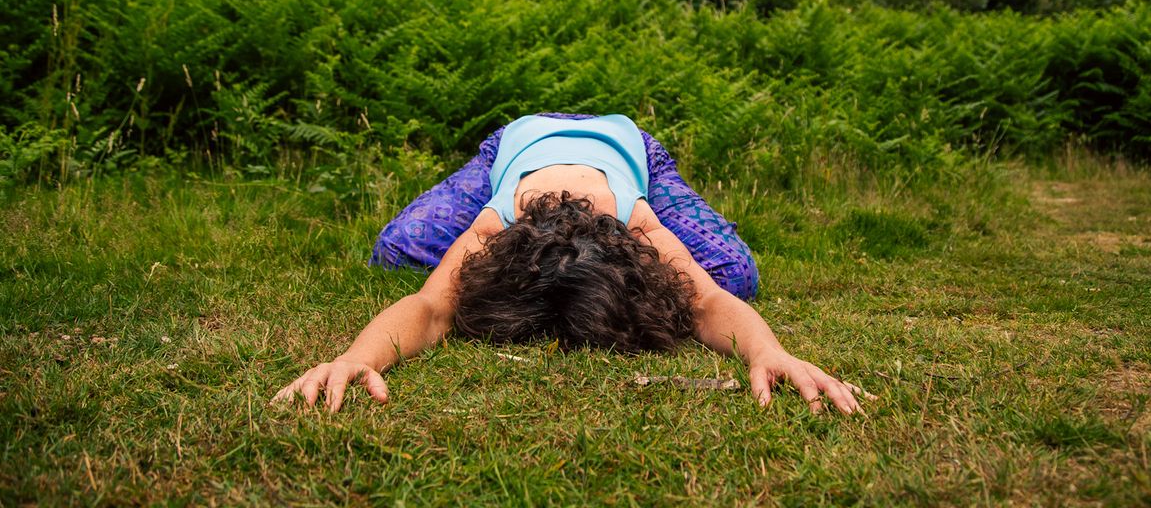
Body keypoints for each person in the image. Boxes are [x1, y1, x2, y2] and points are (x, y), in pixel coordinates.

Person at [273, 113, 866, 414]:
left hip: (630, 145)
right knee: (395, 250)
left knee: (737, 275)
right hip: (516, 143)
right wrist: (356, 358)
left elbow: (709, 300)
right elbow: (430, 309)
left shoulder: (636, 220)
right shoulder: (492, 223)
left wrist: (770, 353)